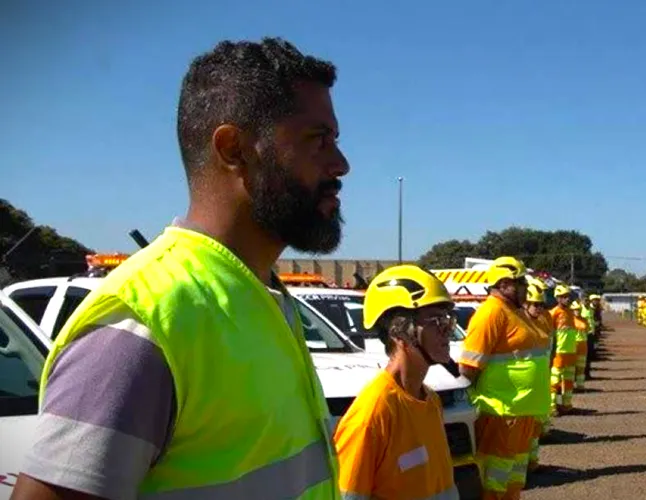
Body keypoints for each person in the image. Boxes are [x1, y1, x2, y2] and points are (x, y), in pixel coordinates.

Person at [12, 38, 346, 500]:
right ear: (234, 150)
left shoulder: (264, 298)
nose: (340, 164)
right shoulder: (142, 326)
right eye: (317, 139)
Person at [335, 265, 459, 499]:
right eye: (436, 320)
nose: (447, 332)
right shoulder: (371, 415)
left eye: (448, 320)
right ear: (399, 331)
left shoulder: (431, 401)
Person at [458, 257, 550, 499]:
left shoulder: (515, 312)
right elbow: (468, 368)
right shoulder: (490, 313)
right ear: (505, 283)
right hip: (500, 413)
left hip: (521, 413)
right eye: (521, 283)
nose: (526, 289)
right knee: (494, 484)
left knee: (514, 481)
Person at [524, 283, 554, 472]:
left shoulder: (544, 321)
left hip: (540, 380)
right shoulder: (519, 324)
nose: (539, 308)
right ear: (525, 304)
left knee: (534, 426)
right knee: (525, 427)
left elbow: (550, 346)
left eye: (541, 305)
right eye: (535, 304)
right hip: (524, 386)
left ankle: (533, 462)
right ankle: (526, 463)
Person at [549, 286, 578, 415]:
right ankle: (552, 407)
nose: (567, 299)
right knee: (554, 382)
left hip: (571, 352)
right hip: (559, 353)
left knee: (569, 381)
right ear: (557, 298)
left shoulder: (571, 312)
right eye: (564, 296)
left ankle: (567, 405)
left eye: (568, 296)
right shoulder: (554, 313)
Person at [585, 294, 602, 379]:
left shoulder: (592, 309)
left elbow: (595, 319)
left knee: (590, 355)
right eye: (594, 300)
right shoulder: (582, 309)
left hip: (591, 333)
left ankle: (587, 372)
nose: (596, 301)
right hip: (584, 335)